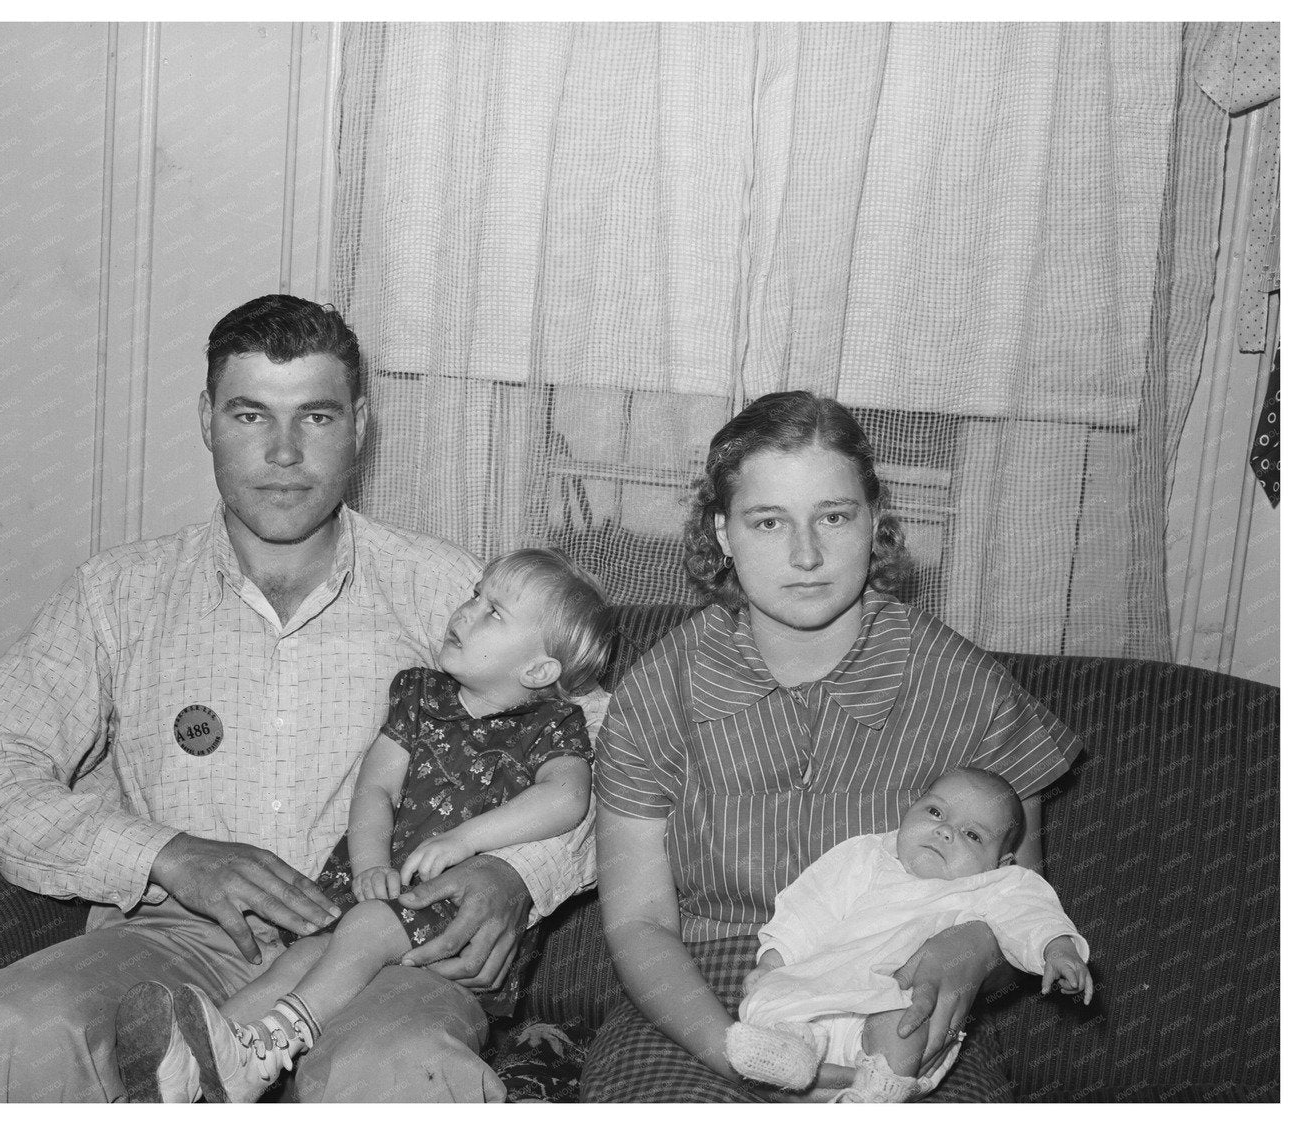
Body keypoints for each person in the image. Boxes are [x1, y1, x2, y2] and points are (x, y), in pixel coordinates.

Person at [0, 295, 594, 1103]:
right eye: (251, 415)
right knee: (21, 1021)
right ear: (207, 419)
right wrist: (166, 853)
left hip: (389, 946)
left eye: (315, 417)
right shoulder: (117, 595)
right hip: (174, 938)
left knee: (398, 1070)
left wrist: (515, 873)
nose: (284, 452)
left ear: (359, 423)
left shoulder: (450, 592)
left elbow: (618, 761)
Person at [584, 390, 1083, 1102]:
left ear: (875, 519)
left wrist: (968, 951)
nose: (807, 554)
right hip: (694, 1007)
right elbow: (638, 922)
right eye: (767, 521)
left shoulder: (969, 687)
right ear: (723, 532)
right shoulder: (658, 688)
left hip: (901, 1009)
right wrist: (732, 1051)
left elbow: (1019, 895)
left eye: (834, 516)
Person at [115, 548, 610, 1102]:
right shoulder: (420, 697)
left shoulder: (552, 726)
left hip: (452, 920)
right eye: (475, 594)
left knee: (368, 925)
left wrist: (463, 841)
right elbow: (375, 787)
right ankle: (193, 1066)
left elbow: (566, 799)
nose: (467, 611)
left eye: (494, 612)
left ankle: (270, 1049)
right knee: (302, 958)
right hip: (379, 896)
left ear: (538, 671)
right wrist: (369, 861)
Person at [726, 767, 1092, 1102]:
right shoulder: (867, 857)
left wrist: (1056, 947)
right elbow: (810, 906)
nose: (945, 831)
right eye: (935, 813)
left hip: (892, 1008)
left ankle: (876, 1095)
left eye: (972, 835)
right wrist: (775, 960)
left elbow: (1032, 913)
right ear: (909, 809)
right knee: (769, 994)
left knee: (905, 1021)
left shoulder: (993, 886)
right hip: (819, 987)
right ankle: (792, 1046)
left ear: (1000, 864)